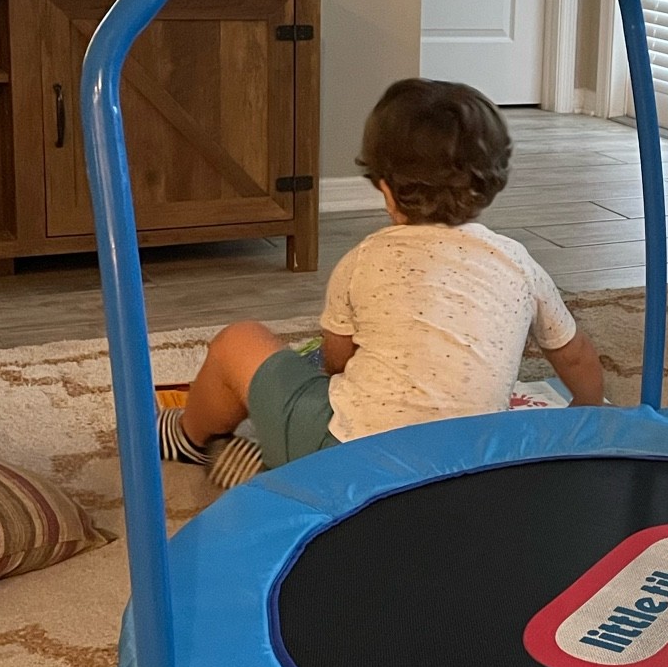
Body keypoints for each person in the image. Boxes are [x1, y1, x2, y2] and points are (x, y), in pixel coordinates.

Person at [157, 78, 605, 486]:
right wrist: (586, 413)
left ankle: (192, 439)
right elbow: (575, 355)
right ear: (491, 182)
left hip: (348, 460)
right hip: (468, 472)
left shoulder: (364, 259)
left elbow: (337, 361)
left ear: (386, 188)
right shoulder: (519, 263)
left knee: (239, 341)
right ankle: (287, 477)